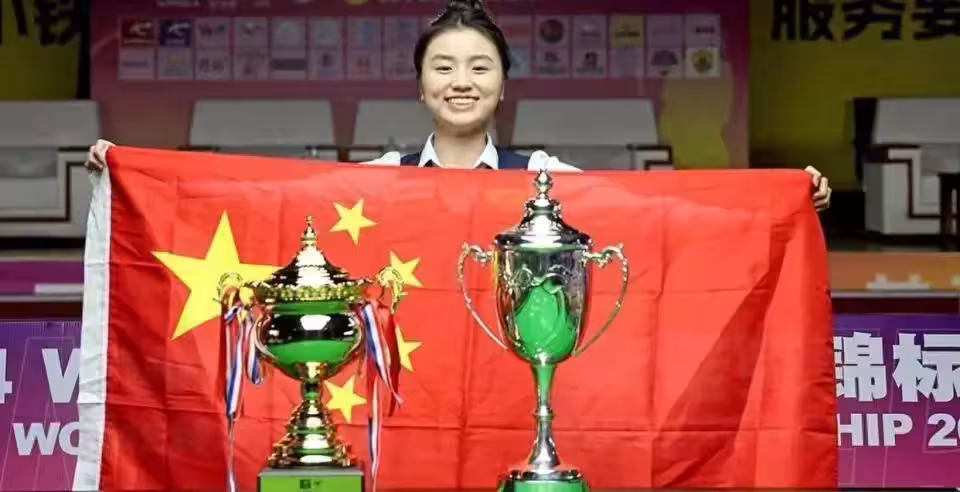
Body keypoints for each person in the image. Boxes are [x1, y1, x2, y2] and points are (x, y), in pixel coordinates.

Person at [84, 0, 831, 210]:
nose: (461, 81)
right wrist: (131, 176)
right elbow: (274, 199)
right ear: (420, 87)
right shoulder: (383, 176)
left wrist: (783, 197)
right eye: (443, 67)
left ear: (505, 85)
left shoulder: (543, 176)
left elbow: (651, 206)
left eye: (480, 67)